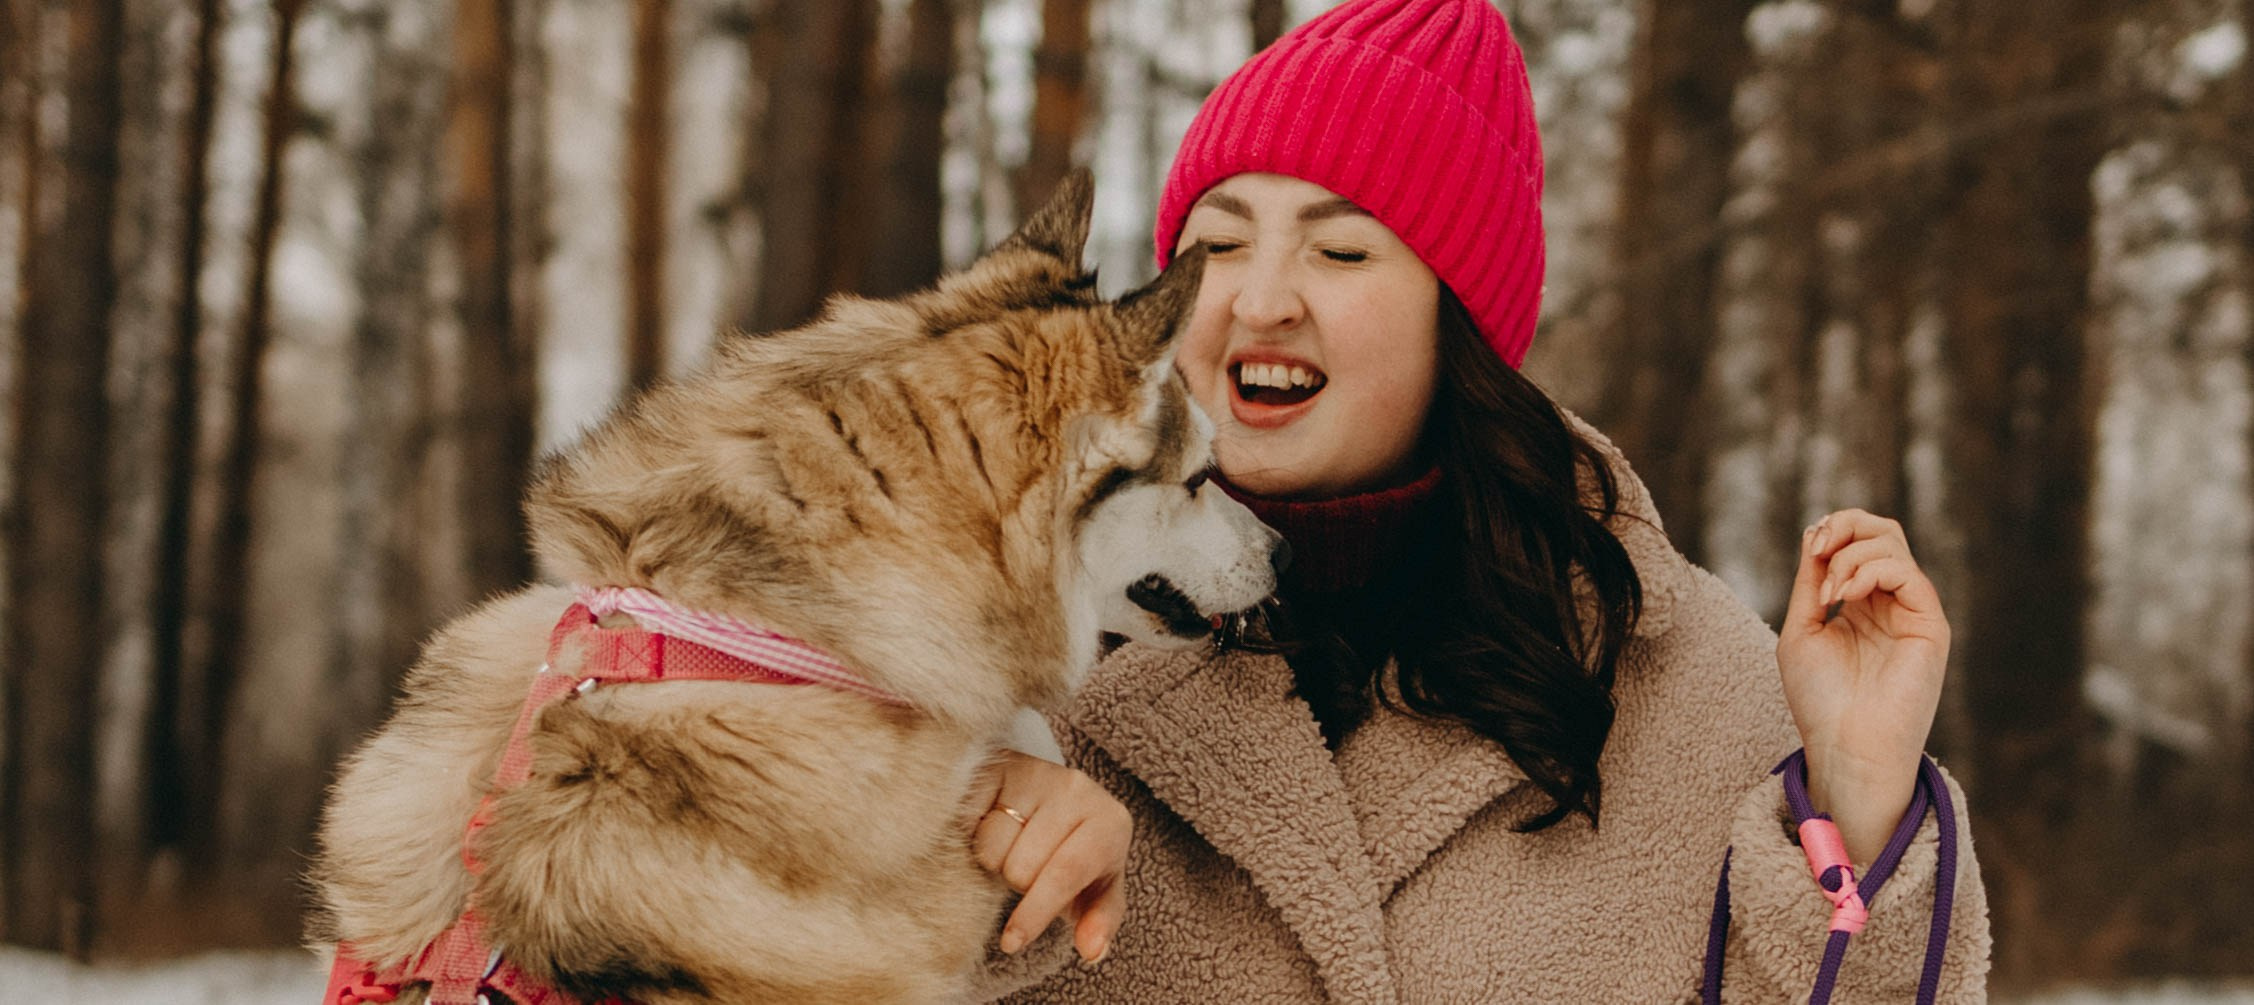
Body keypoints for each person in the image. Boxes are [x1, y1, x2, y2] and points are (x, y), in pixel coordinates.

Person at [967, 0, 1991, 999]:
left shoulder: (1686, 688)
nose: (1261, 300)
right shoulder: (995, 647)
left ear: (1455, 320)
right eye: (1219, 245)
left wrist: (1858, 809)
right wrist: (943, 843)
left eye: (1341, 250)